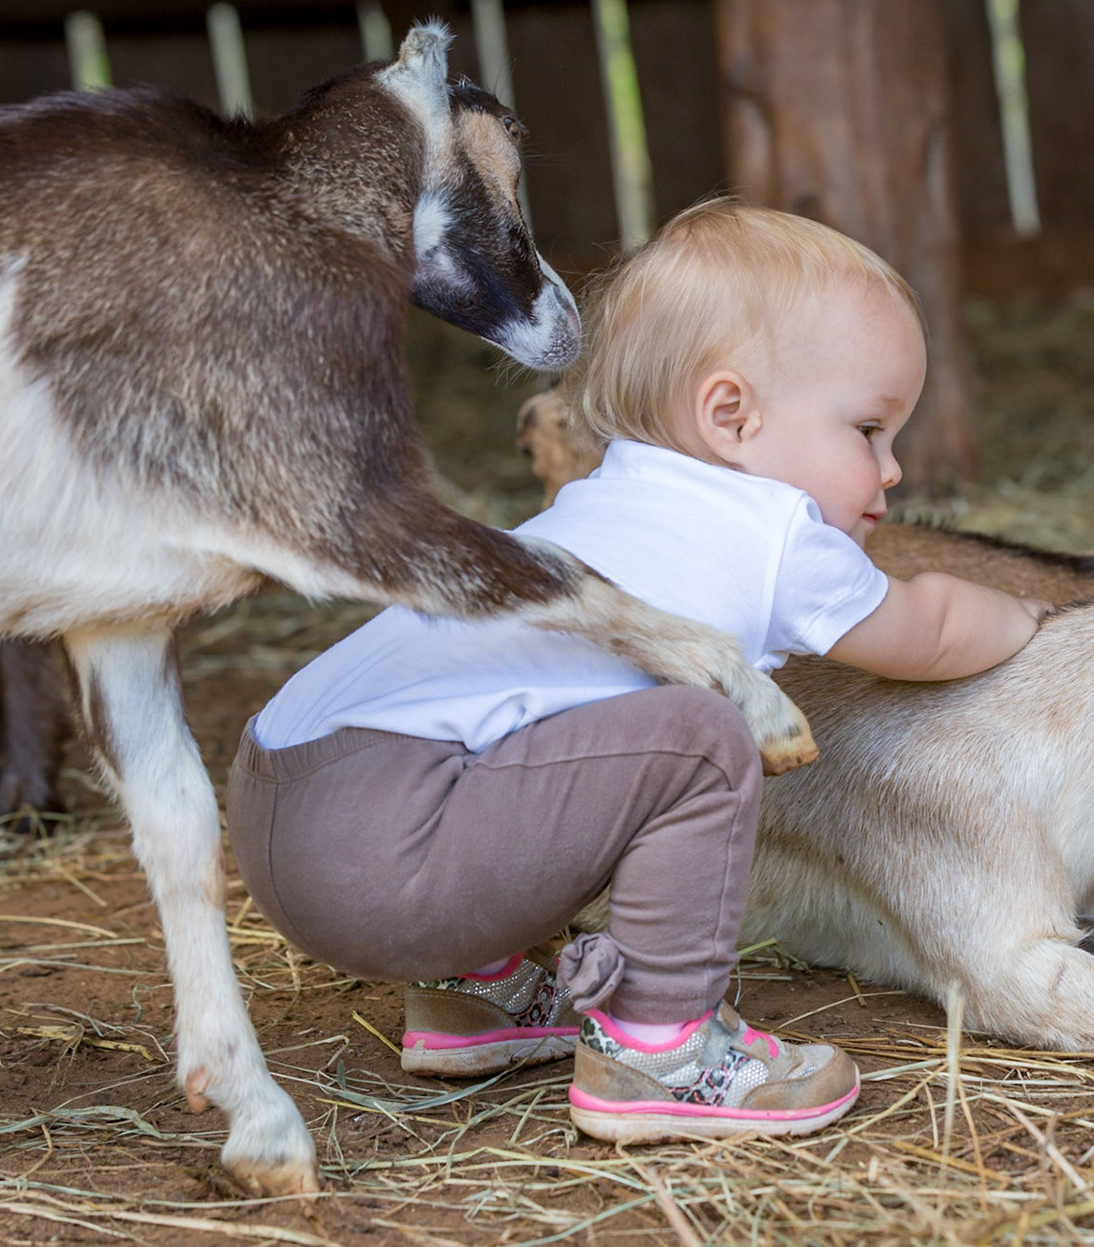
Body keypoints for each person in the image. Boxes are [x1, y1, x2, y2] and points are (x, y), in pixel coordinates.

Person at [225, 198, 1047, 1144]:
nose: (891, 469)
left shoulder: (604, 499)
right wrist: (1032, 618)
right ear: (730, 414)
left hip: (279, 792)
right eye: (869, 431)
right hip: (381, 842)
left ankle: (473, 995)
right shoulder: (773, 534)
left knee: (561, 737)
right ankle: (663, 1049)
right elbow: (931, 630)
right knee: (704, 737)